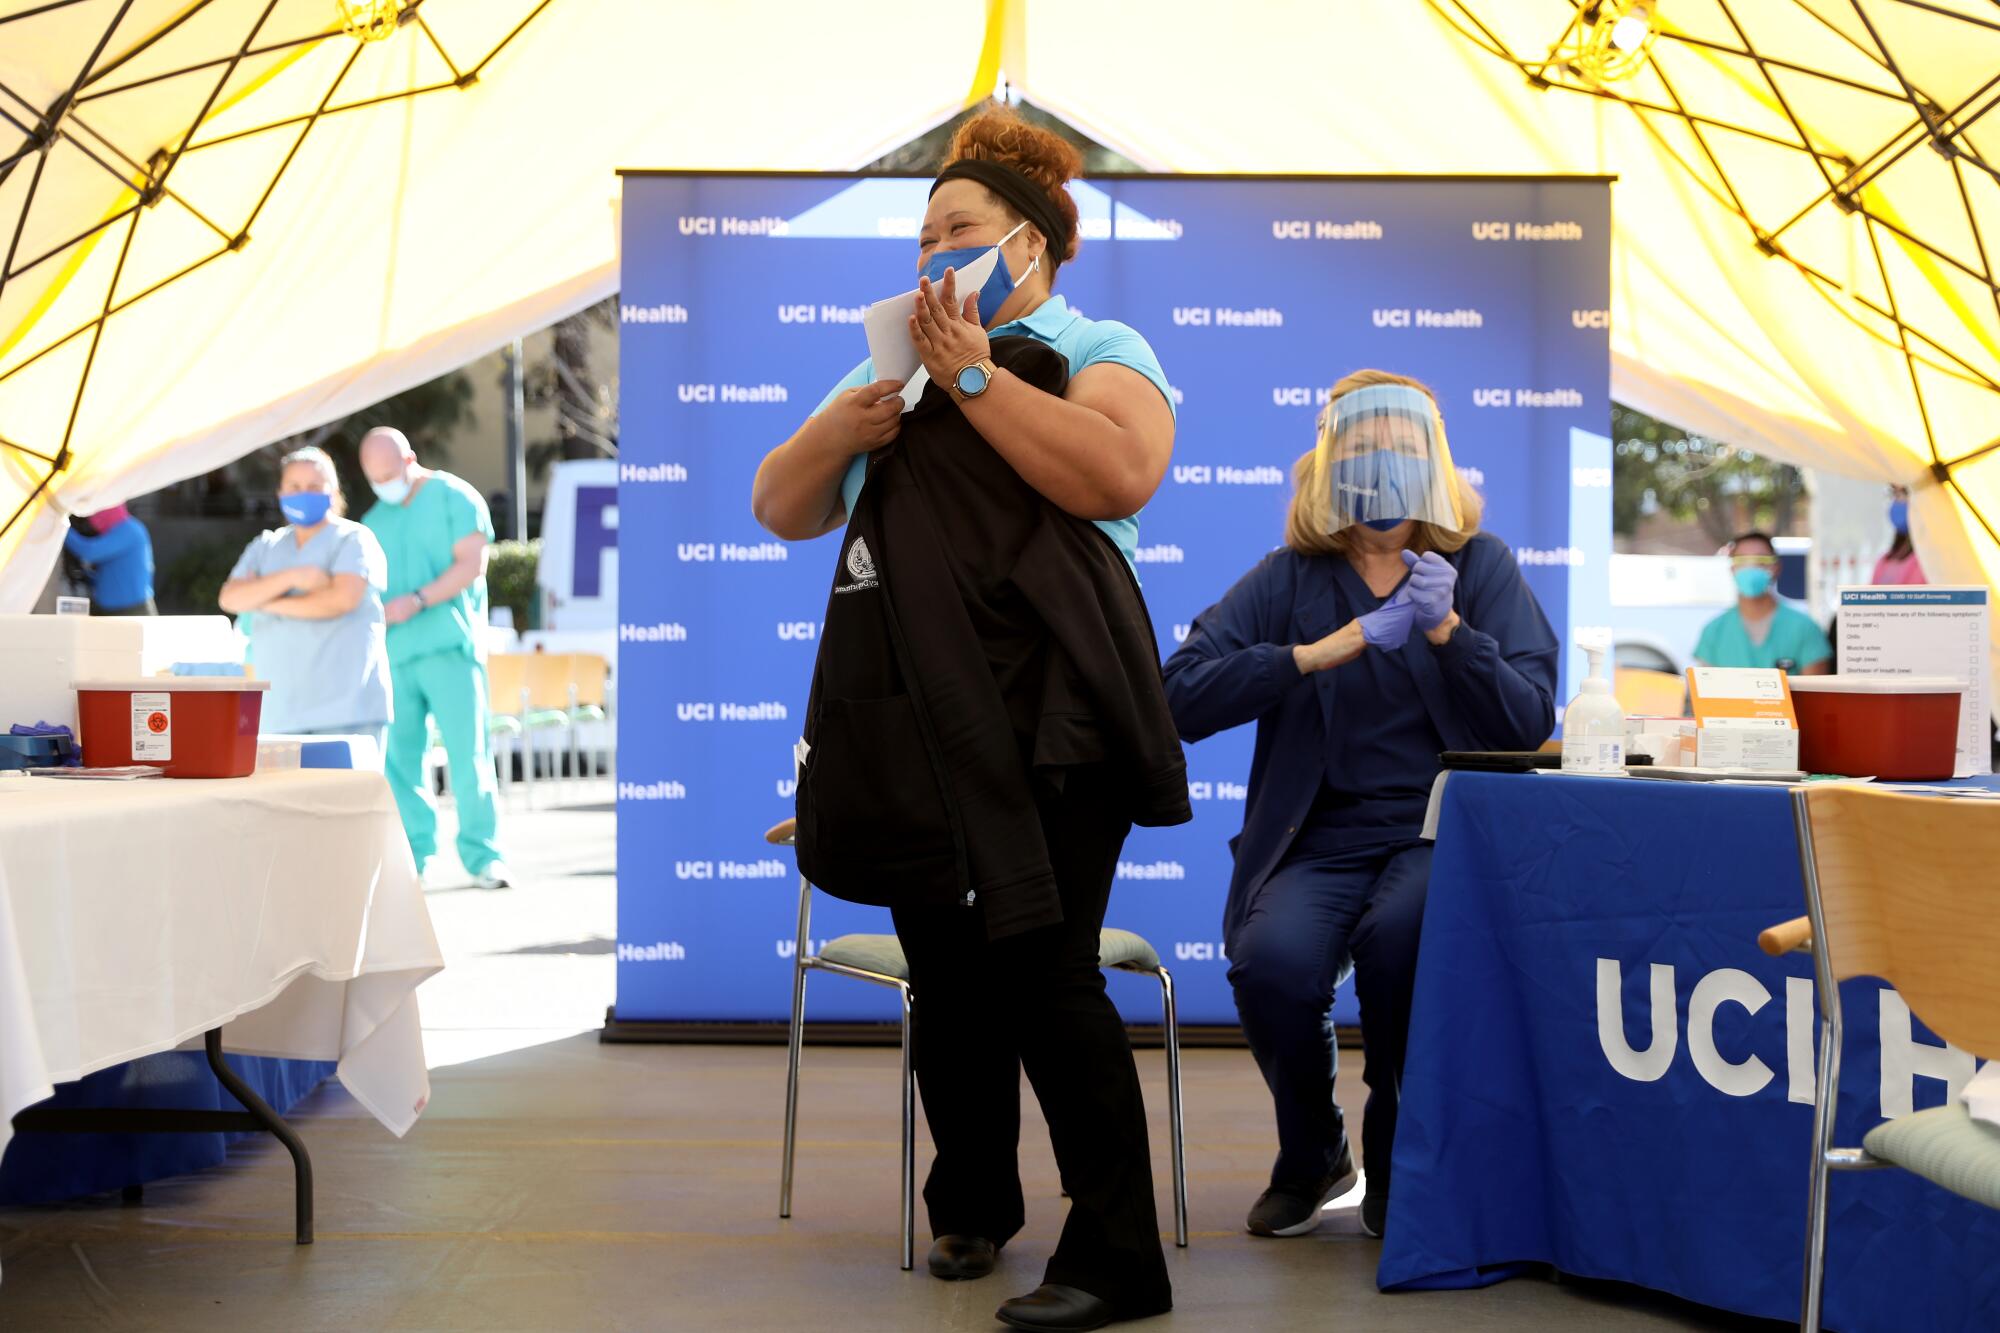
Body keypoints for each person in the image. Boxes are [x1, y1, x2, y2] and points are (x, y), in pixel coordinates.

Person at [753, 107, 1180, 1332]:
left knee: (1047, 971)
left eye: (961, 230)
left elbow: (1116, 473)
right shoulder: (881, 356)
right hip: (909, 715)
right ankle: (972, 1202)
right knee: (946, 975)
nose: (933, 253)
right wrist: (850, 422)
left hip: (1060, 716)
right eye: (923, 234)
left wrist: (974, 376)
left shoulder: (1099, 342)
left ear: (1030, 248)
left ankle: (1115, 1258)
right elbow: (781, 503)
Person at [1161, 370, 1558, 1243]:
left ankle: (1396, 1150)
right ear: (1328, 463)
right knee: (1271, 965)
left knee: (1401, 938)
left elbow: (1530, 719)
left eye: (1403, 445)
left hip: (1436, 831)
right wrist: (1312, 653)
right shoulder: (1290, 578)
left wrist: (1453, 635)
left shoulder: (1478, 567)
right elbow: (1178, 693)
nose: (1383, 461)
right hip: (1319, 838)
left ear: (1438, 463)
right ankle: (1314, 1153)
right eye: (1363, 444)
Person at [359, 426, 511, 890]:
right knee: (401, 762)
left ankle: (484, 855)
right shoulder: (372, 520)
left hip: (450, 648)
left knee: (470, 754)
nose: (384, 483)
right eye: (374, 477)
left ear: (410, 459)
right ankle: (416, 856)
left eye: (389, 473)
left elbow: (471, 563)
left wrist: (418, 600)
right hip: (396, 656)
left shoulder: (455, 497)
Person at [218, 447, 392, 754]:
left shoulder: (354, 539)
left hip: (346, 710)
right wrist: (294, 578)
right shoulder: (267, 545)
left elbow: (342, 599)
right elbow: (231, 597)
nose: (303, 494)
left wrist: (266, 600)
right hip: (280, 714)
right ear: (280, 492)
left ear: (333, 492)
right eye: (294, 487)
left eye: (314, 486)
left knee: (346, 801)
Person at [1694, 532, 1832, 675]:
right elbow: (1705, 691)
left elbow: (1816, 691)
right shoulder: (1714, 632)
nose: (1751, 567)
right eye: (1742, 560)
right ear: (1732, 569)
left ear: (1776, 567)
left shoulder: (1805, 628)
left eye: (1761, 560)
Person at [63, 504, 155, 615]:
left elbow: (90, 552)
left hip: (130, 611)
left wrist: (62, 527)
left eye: (96, 513)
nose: (93, 520)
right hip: (113, 610)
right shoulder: (120, 530)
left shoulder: (128, 529)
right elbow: (116, 572)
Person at [1872, 485, 1926, 585]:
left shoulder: (1928, 563)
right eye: (1895, 494)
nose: (1896, 501)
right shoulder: (1885, 561)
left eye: (1904, 493)